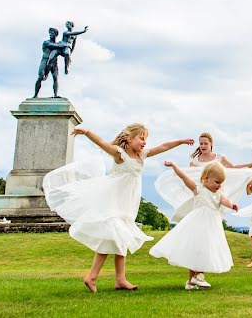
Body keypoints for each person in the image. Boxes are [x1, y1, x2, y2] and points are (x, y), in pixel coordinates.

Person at [43, 123, 193, 292]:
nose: (144, 142)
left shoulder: (142, 155)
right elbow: (102, 143)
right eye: (141, 138)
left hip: (128, 205)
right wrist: (87, 132)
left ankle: (118, 279)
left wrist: (180, 142)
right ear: (129, 138)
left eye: (146, 139)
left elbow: (163, 146)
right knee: (114, 237)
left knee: (121, 238)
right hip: (114, 203)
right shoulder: (119, 155)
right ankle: (94, 277)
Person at [149, 161, 238, 290]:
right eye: (217, 182)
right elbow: (184, 177)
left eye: (221, 183)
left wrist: (231, 205)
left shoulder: (219, 194)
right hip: (198, 224)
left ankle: (191, 282)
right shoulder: (199, 189)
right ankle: (197, 277)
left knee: (204, 249)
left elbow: (225, 200)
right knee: (197, 249)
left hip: (212, 225)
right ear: (206, 178)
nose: (219, 185)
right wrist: (174, 165)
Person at [155, 132, 252, 222]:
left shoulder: (218, 157)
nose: (203, 146)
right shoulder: (196, 161)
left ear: (211, 144)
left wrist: (248, 165)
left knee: (214, 212)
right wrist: (175, 170)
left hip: (216, 192)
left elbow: (233, 168)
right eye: (201, 143)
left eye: (205, 143)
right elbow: (188, 176)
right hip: (202, 193)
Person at [34, 27, 67, 98]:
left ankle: (55, 94)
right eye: (50, 33)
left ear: (56, 35)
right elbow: (56, 46)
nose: (50, 34)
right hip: (45, 61)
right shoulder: (46, 42)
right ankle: (35, 95)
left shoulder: (58, 45)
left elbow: (64, 53)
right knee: (40, 77)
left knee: (55, 78)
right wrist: (65, 45)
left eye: (52, 33)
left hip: (54, 63)